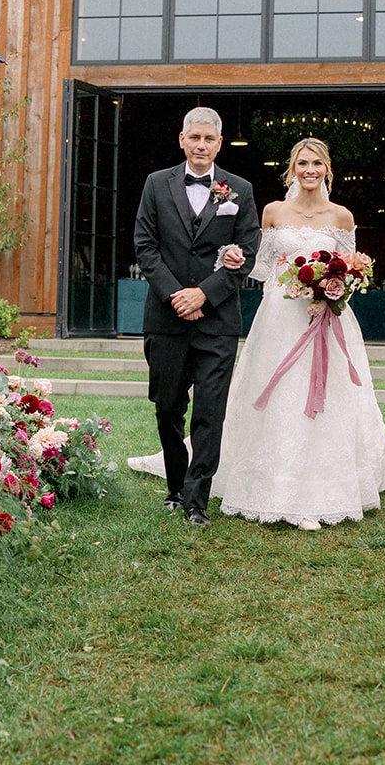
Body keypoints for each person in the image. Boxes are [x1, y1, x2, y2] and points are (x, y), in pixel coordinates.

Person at [131, 137, 385, 528]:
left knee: (326, 403)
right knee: (272, 397)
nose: (309, 170)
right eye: (302, 164)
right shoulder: (273, 212)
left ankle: (321, 487)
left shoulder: (342, 217)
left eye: (316, 164)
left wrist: (331, 288)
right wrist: (236, 261)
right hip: (280, 315)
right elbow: (258, 268)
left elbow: (352, 270)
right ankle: (264, 480)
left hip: (325, 320)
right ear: (292, 169)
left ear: (327, 169)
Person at [131, 107, 261, 526]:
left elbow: (247, 255)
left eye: (210, 139)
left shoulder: (239, 190)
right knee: (167, 405)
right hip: (166, 319)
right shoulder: (155, 184)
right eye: (195, 138)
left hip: (218, 321)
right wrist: (176, 295)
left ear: (219, 144)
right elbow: (145, 246)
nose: (202, 145)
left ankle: (196, 499)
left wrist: (204, 294)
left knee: (210, 410)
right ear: (182, 140)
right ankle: (174, 483)